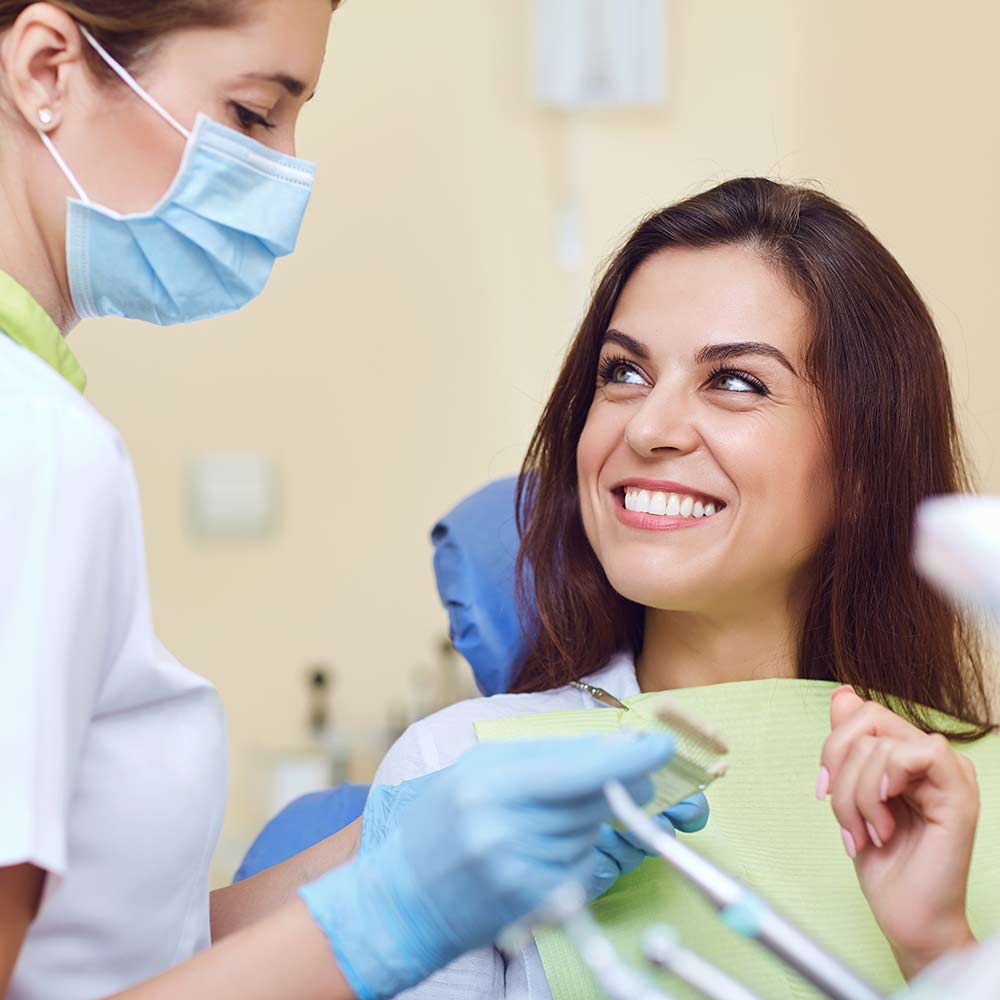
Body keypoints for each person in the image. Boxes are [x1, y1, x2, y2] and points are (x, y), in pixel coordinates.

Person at [0, 3, 696, 998]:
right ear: (46, 69)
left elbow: (100, 952)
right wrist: (397, 908)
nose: (285, 175)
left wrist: (378, 849)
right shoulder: (34, 449)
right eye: (250, 114)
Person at [370, 177, 999, 999]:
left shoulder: (968, 791)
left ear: (862, 466)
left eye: (735, 381)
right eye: (623, 372)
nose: (648, 427)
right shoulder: (460, 772)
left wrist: (938, 952)